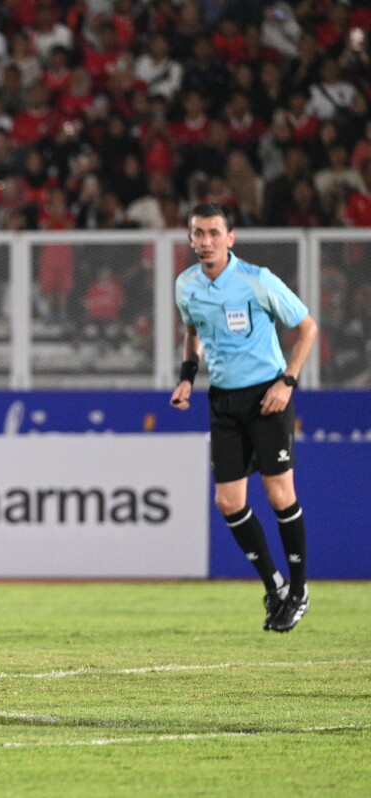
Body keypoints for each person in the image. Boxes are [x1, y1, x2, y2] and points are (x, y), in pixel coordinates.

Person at [171, 202, 318, 633]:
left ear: (230, 238)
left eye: (214, 233)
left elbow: (308, 327)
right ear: (190, 238)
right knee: (228, 502)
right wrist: (186, 378)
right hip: (223, 400)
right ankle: (274, 585)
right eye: (198, 234)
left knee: (278, 495)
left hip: (268, 397)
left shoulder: (257, 280)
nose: (206, 241)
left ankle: (299, 589)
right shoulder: (186, 286)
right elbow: (193, 330)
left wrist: (287, 382)